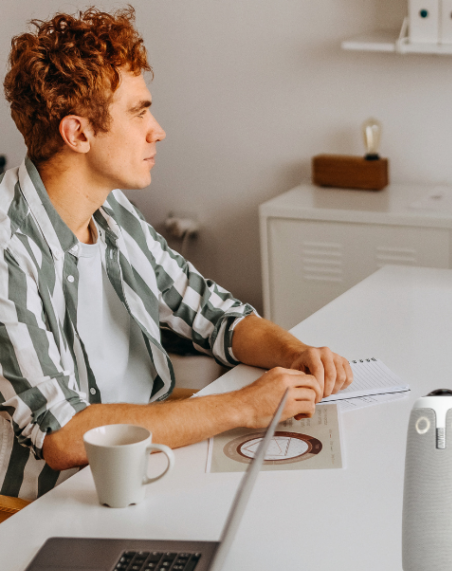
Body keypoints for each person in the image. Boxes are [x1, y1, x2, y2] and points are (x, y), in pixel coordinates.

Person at [0, 7, 353, 501]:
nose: (157, 130)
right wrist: (240, 407)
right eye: (139, 112)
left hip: (155, 462)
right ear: (78, 133)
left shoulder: (111, 209)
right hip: (66, 499)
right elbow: (65, 436)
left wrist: (294, 354)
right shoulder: (7, 251)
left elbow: (210, 312)